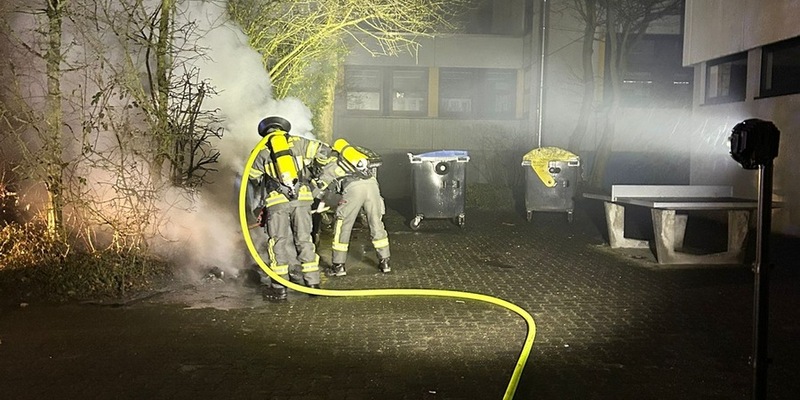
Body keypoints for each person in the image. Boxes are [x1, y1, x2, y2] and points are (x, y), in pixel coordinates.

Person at [248, 116, 333, 301]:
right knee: (304, 240)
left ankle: (279, 288)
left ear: (265, 132)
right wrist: (317, 168)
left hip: (277, 202)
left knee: (278, 242)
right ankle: (313, 284)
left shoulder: (261, 150)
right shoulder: (299, 142)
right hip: (302, 198)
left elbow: (253, 177)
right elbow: (325, 151)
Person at [316, 138, 391, 276]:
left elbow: (321, 185)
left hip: (353, 189)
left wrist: (309, 196)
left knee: (343, 225)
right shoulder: (360, 157)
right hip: (372, 186)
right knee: (376, 223)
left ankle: (338, 266)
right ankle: (385, 262)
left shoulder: (335, 162)